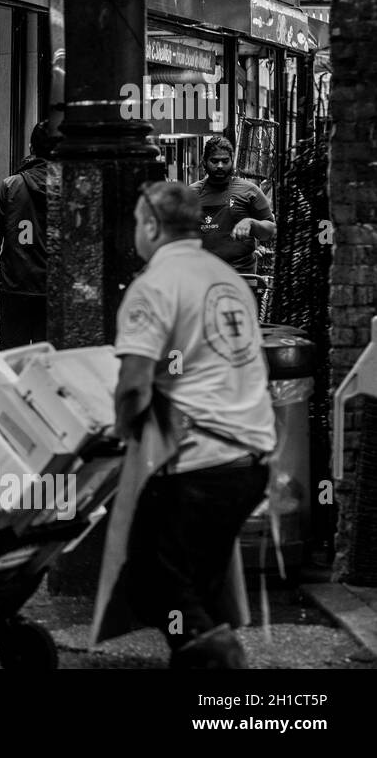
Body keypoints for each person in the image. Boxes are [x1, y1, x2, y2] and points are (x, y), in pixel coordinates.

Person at [111, 181, 274, 668]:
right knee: (193, 579)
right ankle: (200, 650)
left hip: (202, 462)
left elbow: (134, 385)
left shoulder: (154, 285)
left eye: (139, 222)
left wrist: (121, 433)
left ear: (152, 226)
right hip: (253, 457)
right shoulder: (225, 276)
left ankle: (219, 660)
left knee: (148, 578)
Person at [0, 120, 54, 349]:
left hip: (15, 288)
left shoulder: (10, 186)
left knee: (12, 360)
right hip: (52, 290)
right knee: (49, 360)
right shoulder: (70, 188)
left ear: (31, 148)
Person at [191, 135, 275, 274]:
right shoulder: (191, 194)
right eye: (214, 161)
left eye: (225, 161)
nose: (220, 166)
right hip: (202, 276)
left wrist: (252, 223)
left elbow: (271, 230)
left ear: (232, 161)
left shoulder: (250, 191)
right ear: (204, 162)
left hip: (241, 276)